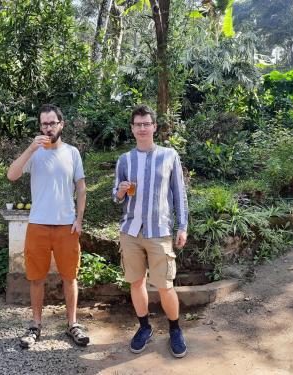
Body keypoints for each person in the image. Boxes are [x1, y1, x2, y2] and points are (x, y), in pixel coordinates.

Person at [7, 104, 89, 348]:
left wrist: (79, 219)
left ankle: (72, 324)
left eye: (53, 123)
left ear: (61, 124)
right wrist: (31, 148)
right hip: (38, 225)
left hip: (67, 226)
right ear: (40, 126)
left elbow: (81, 187)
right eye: (44, 123)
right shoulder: (35, 153)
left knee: (70, 276)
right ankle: (35, 325)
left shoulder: (72, 152)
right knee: (36, 278)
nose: (48, 127)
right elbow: (12, 175)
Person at [112, 104, 189, 358]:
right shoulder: (125, 159)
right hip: (131, 231)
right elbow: (116, 197)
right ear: (132, 129)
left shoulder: (169, 155)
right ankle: (144, 328)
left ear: (154, 127)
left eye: (147, 124)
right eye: (138, 124)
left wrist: (183, 226)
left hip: (160, 231)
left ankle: (175, 330)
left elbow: (179, 194)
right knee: (136, 282)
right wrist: (121, 191)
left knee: (165, 285)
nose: (142, 128)